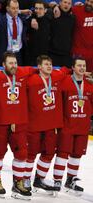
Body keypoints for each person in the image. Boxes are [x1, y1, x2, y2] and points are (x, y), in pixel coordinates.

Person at [0, 52, 35, 200]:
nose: (13, 66)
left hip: (19, 122)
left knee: (22, 155)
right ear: (3, 65)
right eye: (10, 63)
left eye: (15, 63)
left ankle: (18, 183)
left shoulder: (22, 73)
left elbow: (38, 68)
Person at [25, 55, 68, 193]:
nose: (49, 66)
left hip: (52, 124)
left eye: (50, 64)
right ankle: (25, 179)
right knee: (30, 154)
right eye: (46, 64)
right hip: (34, 124)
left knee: (49, 153)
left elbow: (66, 70)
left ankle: (39, 179)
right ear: (39, 67)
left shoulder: (56, 76)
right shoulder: (30, 80)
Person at [52, 57, 93, 195]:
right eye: (79, 65)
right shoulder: (65, 82)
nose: (82, 68)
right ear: (73, 67)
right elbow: (58, 103)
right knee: (62, 153)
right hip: (67, 125)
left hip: (82, 125)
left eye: (84, 66)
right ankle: (57, 180)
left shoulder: (90, 84)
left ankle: (71, 180)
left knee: (77, 154)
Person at [0, 0, 28, 65]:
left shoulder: (22, 19)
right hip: (5, 53)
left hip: (18, 54)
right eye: (13, 8)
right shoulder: (0, 20)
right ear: (7, 8)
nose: (16, 10)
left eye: (17, 8)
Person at [49, 0, 75, 67]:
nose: (67, 5)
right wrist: (55, 6)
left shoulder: (72, 18)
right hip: (53, 53)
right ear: (60, 3)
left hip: (67, 54)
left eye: (69, 3)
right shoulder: (52, 13)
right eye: (65, 2)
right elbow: (41, 8)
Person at [25, 1, 51, 65]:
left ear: (45, 10)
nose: (37, 10)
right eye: (36, 8)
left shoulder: (50, 21)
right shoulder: (29, 20)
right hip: (31, 56)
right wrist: (32, 18)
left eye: (40, 9)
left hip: (44, 56)